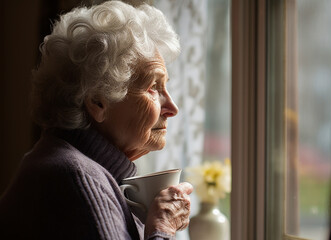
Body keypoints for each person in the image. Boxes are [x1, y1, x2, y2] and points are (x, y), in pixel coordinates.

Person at [0, 1, 193, 239]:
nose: (172, 108)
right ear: (98, 101)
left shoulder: (65, 162)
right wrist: (163, 229)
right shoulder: (78, 178)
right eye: (153, 87)